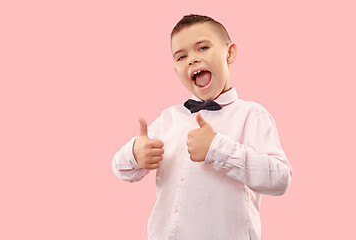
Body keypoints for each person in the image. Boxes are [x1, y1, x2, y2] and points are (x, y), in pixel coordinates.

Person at [112, 14, 292, 240]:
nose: (192, 60)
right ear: (176, 70)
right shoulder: (169, 118)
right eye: (181, 56)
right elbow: (120, 170)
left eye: (203, 47)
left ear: (230, 52)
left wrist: (218, 149)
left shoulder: (252, 115)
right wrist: (135, 155)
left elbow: (281, 179)